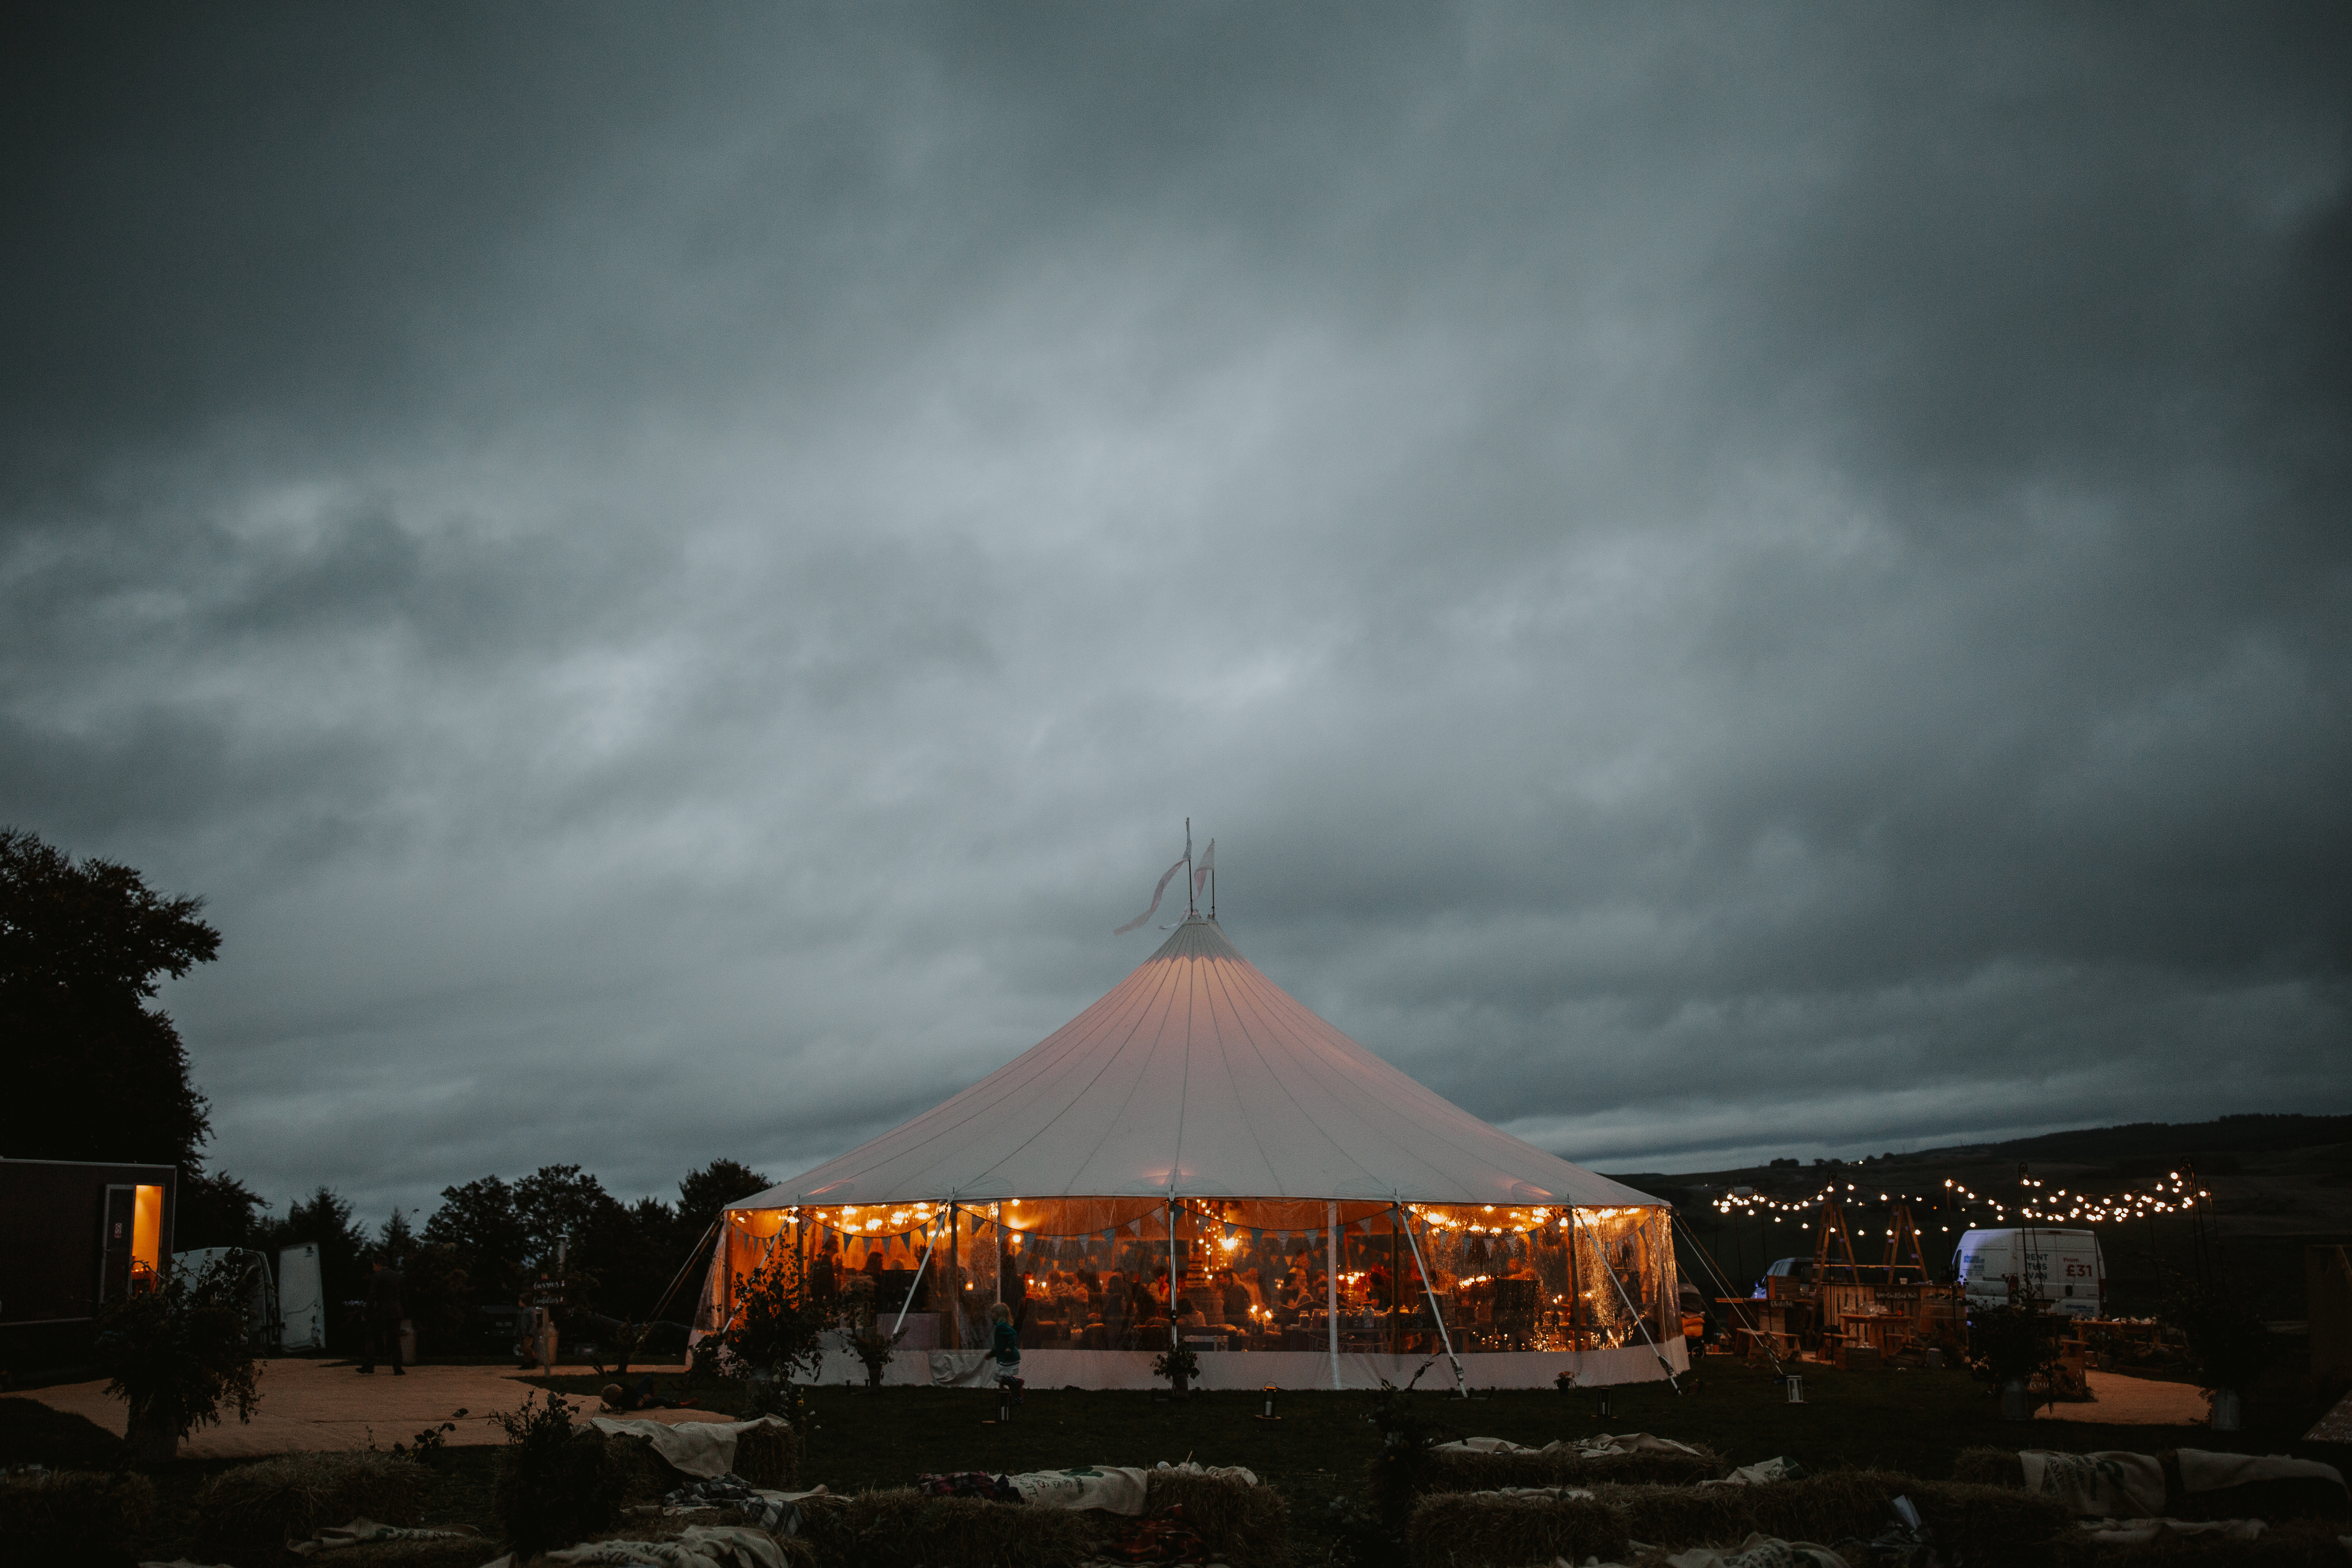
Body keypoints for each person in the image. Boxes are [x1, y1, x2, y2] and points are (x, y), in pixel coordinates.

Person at [358, 1259, 405, 1376]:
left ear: (379, 1264)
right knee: (395, 1340)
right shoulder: (398, 1276)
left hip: (382, 1312)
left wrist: (366, 1313)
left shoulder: (377, 1277)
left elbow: (372, 1296)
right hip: (396, 1312)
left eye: (374, 1266)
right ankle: (398, 1368)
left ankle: (369, 1365)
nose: (374, 1268)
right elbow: (404, 1295)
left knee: (371, 1336)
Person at [988, 1301, 1024, 1403]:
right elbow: (1000, 1346)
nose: (991, 1315)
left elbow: (1013, 1333)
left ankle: (1018, 1382)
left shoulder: (1001, 1326)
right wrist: (992, 1354)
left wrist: (1010, 1347)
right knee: (1008, 1379)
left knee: (997, 1377)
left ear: (999, 1314)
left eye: (993, 1313)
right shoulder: (1001, 1327)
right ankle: (1018, 1398)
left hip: (1009, 1358)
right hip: (1011, 1358)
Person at [601, 1376, 697, 1412]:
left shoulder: (616, 1387)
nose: (622, 1389)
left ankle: (651, 1395)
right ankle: (680, 1405)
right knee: (663, 1400)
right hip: (642, 1402)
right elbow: (636, 1407)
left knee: (648, 1378)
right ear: (615, 1398)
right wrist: (641, 1399)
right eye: (621, 1391)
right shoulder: (622, 1404)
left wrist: (639, 1396)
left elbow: (630, 1388)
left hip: (637, 1394)